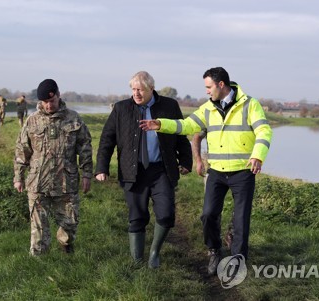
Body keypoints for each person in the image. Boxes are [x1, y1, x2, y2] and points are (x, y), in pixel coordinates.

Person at [140, 67, 272, 275]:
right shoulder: (207, 109)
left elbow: (264, 131)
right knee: (208, 214)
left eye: (209, 87)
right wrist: (160, 124)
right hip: (217, 172)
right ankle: (214, 251)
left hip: (243, 172)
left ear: (221, 85)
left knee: (241, 220)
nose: (207, 91)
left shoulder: (250, 105)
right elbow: (187, 126)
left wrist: (257, 155)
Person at [95, 71, 193, 268]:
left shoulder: (169, 106)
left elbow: (180, 133)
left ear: (151, 89)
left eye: (140, 89)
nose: (136, 93)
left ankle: (154, 253)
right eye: (133, 89)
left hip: (161, 170)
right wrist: (101, 168)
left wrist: (185, 160)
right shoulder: (121, 108)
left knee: (165, 214)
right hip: (133, 172)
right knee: (137, 217)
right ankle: (137, 261)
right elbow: (107, 139)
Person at [14, 79, 93, 256]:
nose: (49, 105)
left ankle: (65, 244)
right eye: (45, 102)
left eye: (52, 101)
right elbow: (22, 150)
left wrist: (87, 173)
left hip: (66, 182)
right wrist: (18, 177)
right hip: (38, 182)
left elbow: (85, 147)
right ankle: (39, 264)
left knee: (70, 223)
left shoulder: (73, 118)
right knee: (38, 228)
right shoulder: (32, 121)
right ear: (40, 101)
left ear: (58, 96)